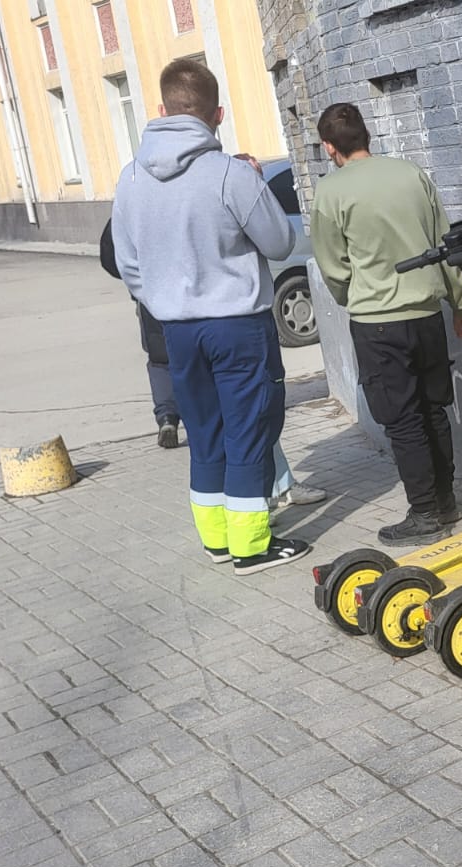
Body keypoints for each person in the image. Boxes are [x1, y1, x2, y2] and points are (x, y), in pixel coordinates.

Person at [110, 59, 309, 574]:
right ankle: (252, 546)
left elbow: (128, 263)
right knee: (249, 430)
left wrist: (163, 299)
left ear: (161, 110)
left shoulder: (131, 178)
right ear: (218, 114)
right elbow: (279, 242)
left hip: (176, 329)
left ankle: (217, 539)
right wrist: (255, 187)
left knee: (204, 433)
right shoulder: (229, 174)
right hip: (237, 324)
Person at [309, 102, 462, 546]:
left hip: (378, 320)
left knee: (402, 420)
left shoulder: (330, 192)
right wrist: (461, 303)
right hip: (427, 315)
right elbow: (444, 243)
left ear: (329, 147)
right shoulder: (411, 174)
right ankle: (445, 501)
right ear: (366, 135)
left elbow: (333, 265)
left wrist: (353, 296)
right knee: (434, 408)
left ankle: (424, 513)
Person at [100, 218, 327, 508]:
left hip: (174, 318)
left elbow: (114, 258)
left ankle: (265, 489)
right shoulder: (164, 201)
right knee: (245, 415)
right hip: (216, 318)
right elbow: (278, 241)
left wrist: (150, 292)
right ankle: (262, 494)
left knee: (221, 420)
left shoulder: (137, 203)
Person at [100, 219, 180, 449]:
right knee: (195, 356)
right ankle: (202, 416)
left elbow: (110, 256)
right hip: (190, 292)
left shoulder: (128, 205)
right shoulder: (185, 199)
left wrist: (136, 281)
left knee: (160, 359)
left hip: (148, 296)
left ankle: (167, 417)